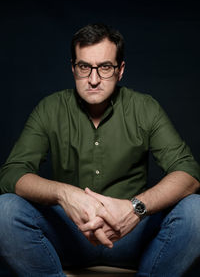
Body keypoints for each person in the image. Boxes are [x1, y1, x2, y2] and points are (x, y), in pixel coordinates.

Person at [0, 23, 200, 277]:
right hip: (70, 236)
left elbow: (189, 172)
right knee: (4, 210)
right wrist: (65, 194)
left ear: (120, 70)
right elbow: (11, 173)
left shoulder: (145, 107)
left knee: (197, 211)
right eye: (85, 67)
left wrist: (135, 208)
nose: (93, 80)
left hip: (132, 235)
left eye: (105, 67)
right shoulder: (50, 108)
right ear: (73, 68)